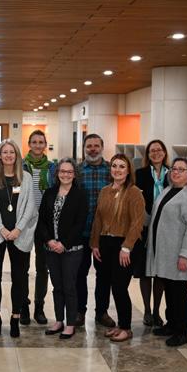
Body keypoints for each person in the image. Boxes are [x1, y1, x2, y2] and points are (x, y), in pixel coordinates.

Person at [146, 158, 187, 347]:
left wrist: (185, 254)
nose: (176, 172)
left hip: (178, 252)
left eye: (181, 169)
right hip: (165, 251)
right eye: (174, 169)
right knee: (170, 288)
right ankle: (171, 324)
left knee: (179, 291)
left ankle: (182, 332)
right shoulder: (168, 190)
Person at [0, 139, 37, 338]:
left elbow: (31, 206)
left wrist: (18, 229)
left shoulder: (26, 178)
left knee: (19, 278)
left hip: (20, 235)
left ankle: (15, 318)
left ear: (17, 155)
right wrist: (2, 229)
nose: (8, 155)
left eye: (11, 152)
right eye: (4, 152)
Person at [90, 154, 145, 343]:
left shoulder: (134, 192)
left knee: (120, 287)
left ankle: (126, 327)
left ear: (128, 170)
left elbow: (137, 223)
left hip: (124, 246)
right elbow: (98, 219)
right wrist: (95, 243)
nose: (117, 170)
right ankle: (119, 325)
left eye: (122, 166)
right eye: (114, 166)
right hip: (105, 243)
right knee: (105, 282)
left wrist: (127, 248)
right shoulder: (105, 191)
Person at [38, 158, 88, 339]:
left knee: (69, 286)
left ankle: (71, 323)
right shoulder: (49, 193)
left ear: (74, 174)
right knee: (57, 286)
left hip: (72, 249)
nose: (65, 174)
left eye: (69, 172)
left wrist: (64, 244)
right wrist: (49, 240)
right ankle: (59, 320)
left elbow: (80, 223)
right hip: (51, 248)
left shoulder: (80, 195)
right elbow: (42, 220)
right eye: (62, 171)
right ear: (57, 173)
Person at [76, 133, 114, 328]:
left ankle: (101, 312)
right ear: (84, 148)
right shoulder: (77, 170)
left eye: (96, 146)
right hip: (81, 231)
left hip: (105, 233)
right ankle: (79, 312)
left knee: (104, 274)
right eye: (89, 146)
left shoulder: (111, 170)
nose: (92, 149)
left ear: (102, 147)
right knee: (79, 273)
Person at [21, 129, 56, 325]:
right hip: (25, 222)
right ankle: (23, 306)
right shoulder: (21, 166)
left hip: (45, 223)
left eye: (41, 142)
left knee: (42, 267)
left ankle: (39, 307)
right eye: (34, 142)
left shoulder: (52, 168)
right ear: (29, 144)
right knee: (22, 267)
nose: (37, 145)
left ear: (45, 145)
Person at [134, 139, 169, 328]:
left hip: (165, 227)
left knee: (160, 271)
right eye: (152, 151)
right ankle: (147, 310)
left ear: (164, 152)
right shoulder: (140, 174)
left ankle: (157, 310)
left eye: (159, 150)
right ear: (147, 155)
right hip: (144, 226)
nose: (156, 153)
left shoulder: (171, 173)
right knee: (145, 270)